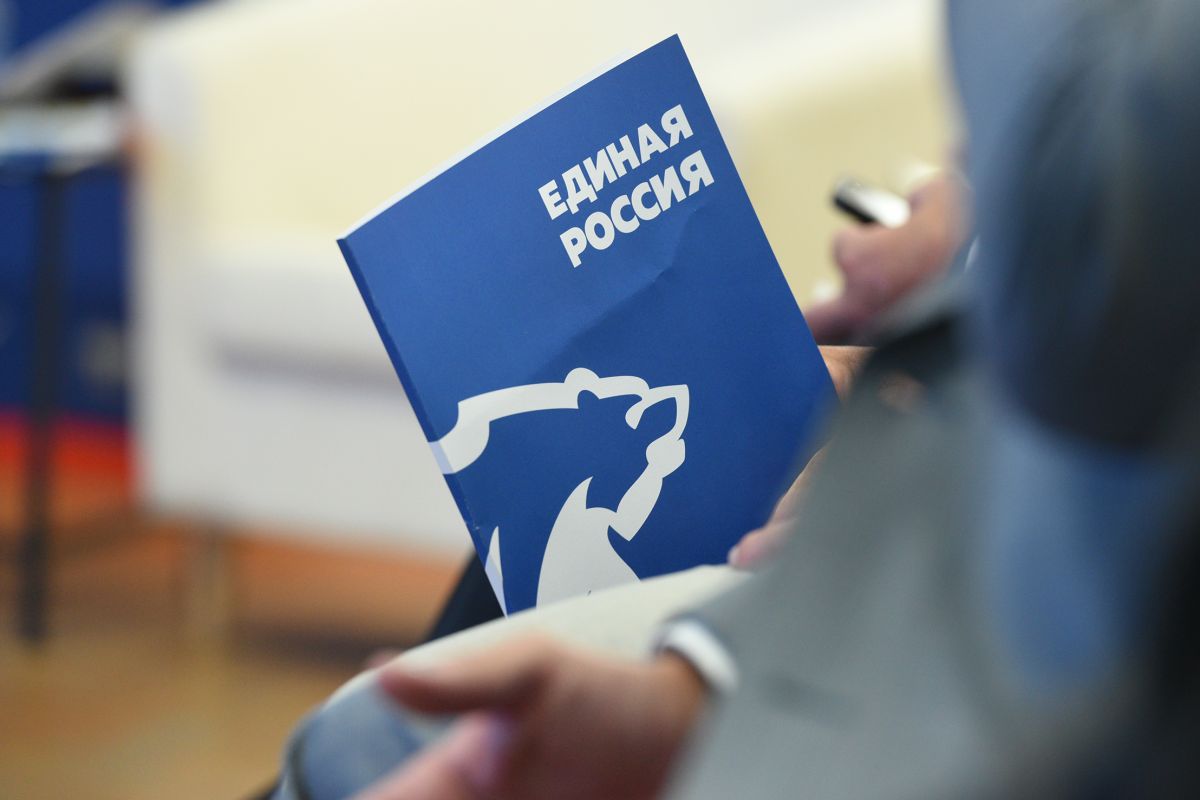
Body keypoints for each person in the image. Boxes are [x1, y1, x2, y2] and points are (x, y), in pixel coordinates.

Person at [281, 0, 1200, 797]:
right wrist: (967, 242)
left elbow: (1090, 229)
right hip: (1003, 428)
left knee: (373, 736)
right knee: (497, 571)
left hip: (1077, 585)